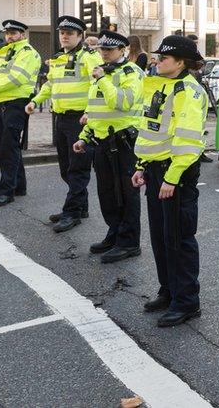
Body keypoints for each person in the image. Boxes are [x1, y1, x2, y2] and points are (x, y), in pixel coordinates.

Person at [131, 35, 208, 327]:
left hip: (175, 173)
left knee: (178, 239)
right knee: (161, 238)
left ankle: (187, 301)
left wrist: (171, 178)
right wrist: (141, 164)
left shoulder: (189, 91)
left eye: (164, 58)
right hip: (155, 169)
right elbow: (150, 129)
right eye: (157, 56)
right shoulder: (160, 84)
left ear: (181, 63)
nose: (157, 60)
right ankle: (169, 290)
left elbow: (187, 141)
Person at [26, 16, 104, 232]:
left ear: (80, 36)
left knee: (78, 168)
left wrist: (90, 111)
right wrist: (35, 101)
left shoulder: (88, 57)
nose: (65, 36)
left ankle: (72, 213)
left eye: (70, 33)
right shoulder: (59, 57)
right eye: (62, 33)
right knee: (66, 168)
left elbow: (98, 83)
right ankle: (81, 206)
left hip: (80, 119)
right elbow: (51, 84)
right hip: (61, 118)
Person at [73, 30, 144, 263]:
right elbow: (95, 109)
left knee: (126, 193)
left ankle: (129, 242)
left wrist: (102, 79)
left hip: (124, 141)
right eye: (102, 49)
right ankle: (114, 233)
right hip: (102, 140)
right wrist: (85, 135)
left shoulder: (131, 72)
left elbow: (122, 102)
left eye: (109, 50)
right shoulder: (102, 73)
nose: (104, 53)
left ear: (123, 50)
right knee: (107, 192)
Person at [0, 20, 41, 207]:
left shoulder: (28, 53)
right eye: (8, 33)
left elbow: (17, 78)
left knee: (8, 147)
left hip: (16, 103)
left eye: (14, 33)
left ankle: (7, 191)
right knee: (6, 146)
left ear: (23, 34)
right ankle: (18, 186)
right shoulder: (3, 51)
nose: (10, 36)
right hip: (0, 103)